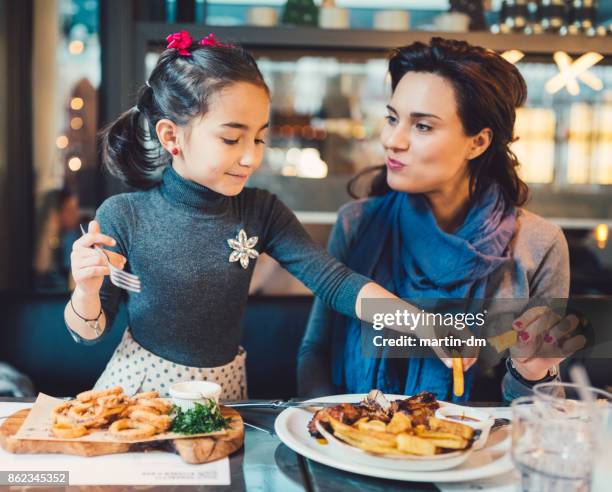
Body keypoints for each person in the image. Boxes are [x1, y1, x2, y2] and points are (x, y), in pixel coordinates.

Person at [63, 32, 445, 399]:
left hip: (222, 392)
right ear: (170, 136)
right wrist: (86, 290)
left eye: (259, 138)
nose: (252, 157)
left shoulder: (261, 211)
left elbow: (335, 282)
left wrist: (422, 324)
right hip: (140, 393)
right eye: (231, 139)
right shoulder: (125, 214)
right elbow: (89, 334)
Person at [297, 38, 585, 403]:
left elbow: (537, 410)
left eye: (422, 127)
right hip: (356, 445)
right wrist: (328, 424)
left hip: (476, 451)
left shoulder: (539, 243)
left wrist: (530, 371)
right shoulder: (357, 223)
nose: (391, 139)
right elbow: (314, 352)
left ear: (477, 143)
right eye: (392, 118)